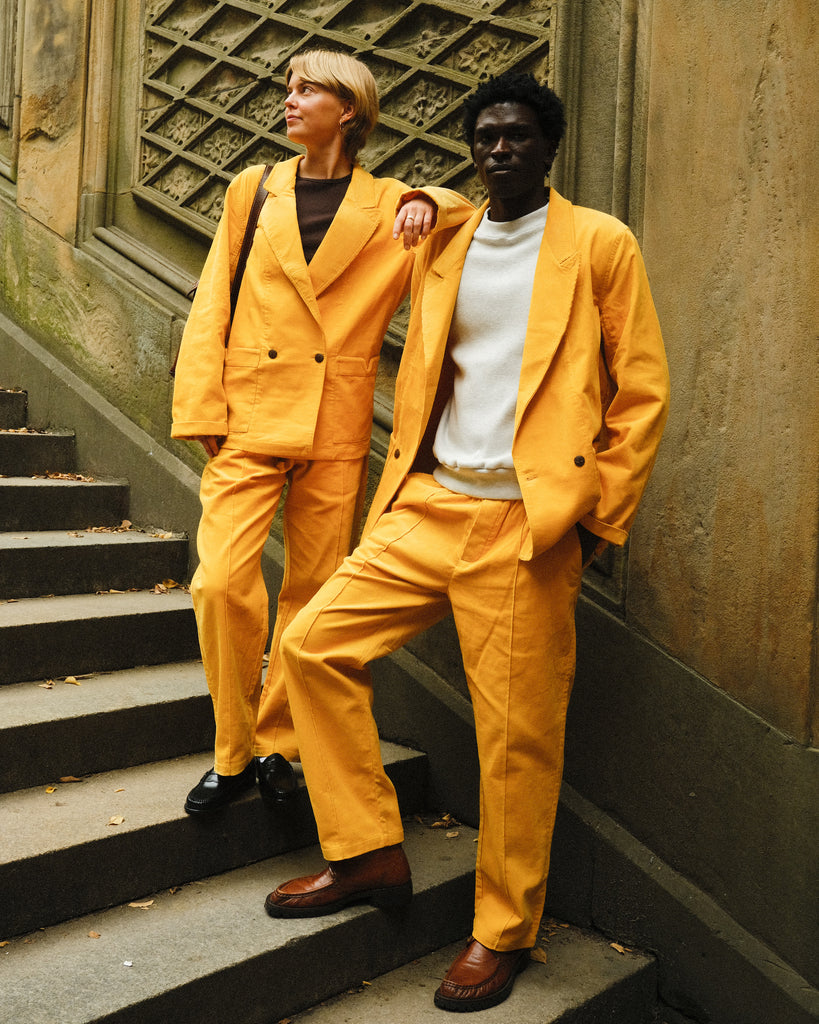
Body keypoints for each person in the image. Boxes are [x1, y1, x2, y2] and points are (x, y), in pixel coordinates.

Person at [264, 71, 670, 1013]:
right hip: (426, 503)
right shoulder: (447, 235)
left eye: (517, 136)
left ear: (548, 145)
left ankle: (502, 932)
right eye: (484, 137)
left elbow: (641, 392)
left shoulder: (598, 244)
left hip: (524, 528)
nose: (499, 149)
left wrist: (593, 521)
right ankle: (366, 853)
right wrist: (425, 195)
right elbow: (415, 200)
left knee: (515, 739)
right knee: (312, 645)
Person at [171, 50, 473, 815]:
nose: (290, 99)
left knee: (309, 594)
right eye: (289, 87)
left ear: (350, 110)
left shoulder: (389, 205)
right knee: (220, 582)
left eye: (307, 89)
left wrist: (431, 197)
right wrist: (202, 405)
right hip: (247, 412)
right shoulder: (255, 186)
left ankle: (276, 743)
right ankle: (231, 751)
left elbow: (471, 217)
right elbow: (214, 297)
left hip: (332, 424)